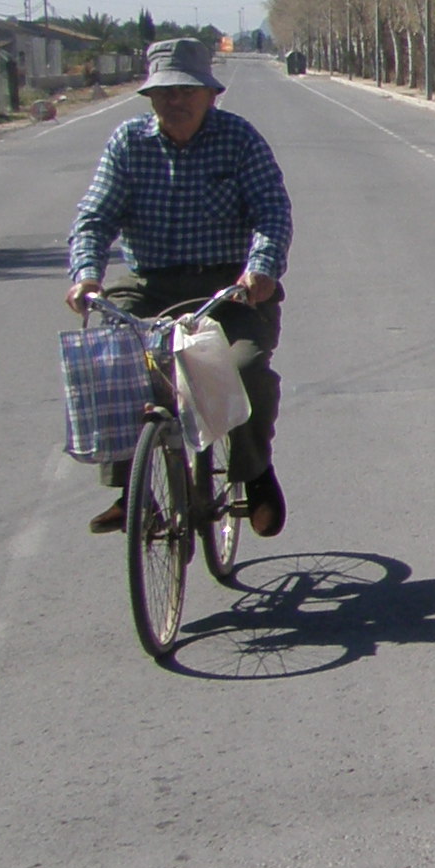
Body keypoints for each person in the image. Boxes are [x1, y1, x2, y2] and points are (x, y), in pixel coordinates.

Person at [65, 38, 293, 537]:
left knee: (243, 370)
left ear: (210, 94)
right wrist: (86, 275)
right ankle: (132, 492)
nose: (176, 100)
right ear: (150, 97)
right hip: (150, 284)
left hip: (229, 291)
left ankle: (254, 472)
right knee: (114, 361)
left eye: (187, 90)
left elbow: (271, 213)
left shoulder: (238, 139)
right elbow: (94, 217)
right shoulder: (129, 142)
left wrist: (260, 270)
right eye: (165, 91)